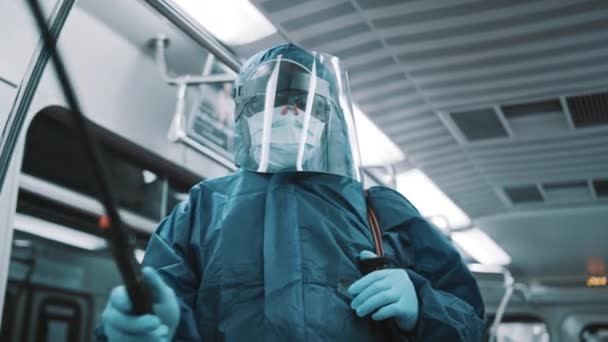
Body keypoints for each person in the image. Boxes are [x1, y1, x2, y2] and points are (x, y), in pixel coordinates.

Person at [96, 43, 485, 341]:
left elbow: (470, 324)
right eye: (270, 101)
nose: (288, 113)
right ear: (246, 115)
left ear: (326, 119)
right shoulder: (202, 210)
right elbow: (157, 305)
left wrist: (421, 304)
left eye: (303, 102)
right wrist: (134, 325)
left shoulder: (381, 212)